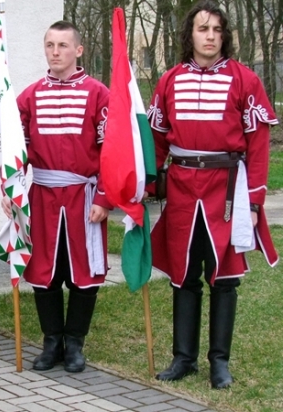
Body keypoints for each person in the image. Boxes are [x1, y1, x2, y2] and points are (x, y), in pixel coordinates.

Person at [147, 0, 279, 389]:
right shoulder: (169, 80)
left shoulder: (244, 80)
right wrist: (147, 186)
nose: (210, 36)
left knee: (224, 278)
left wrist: (254, 201)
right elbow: (156, 140)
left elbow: (258, 146)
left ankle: (219, 362)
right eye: (202, 29)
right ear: (189, 35)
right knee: (184, 274)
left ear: (225, 36)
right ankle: (183, 358)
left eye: (216, 30)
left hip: (227, 188)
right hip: (182, 188)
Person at [3, 21, 111, 373]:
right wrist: (11, 188)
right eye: (50, 45)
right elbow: (14, 148)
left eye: (63, 45)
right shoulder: (30, 95)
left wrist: (104, 197)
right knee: (44, 271)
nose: (55, 51)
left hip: (84, 196)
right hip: (43, 196)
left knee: (84, 271)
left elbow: (112, 150)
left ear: (78, 50)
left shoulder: (98, 94)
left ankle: (75, 343)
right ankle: (52, 342)